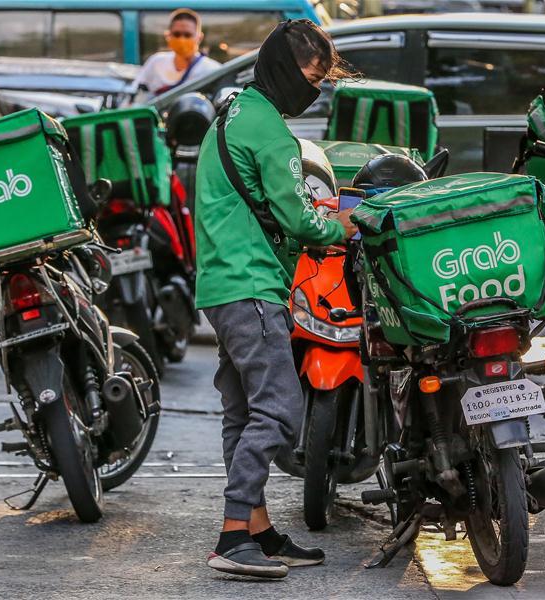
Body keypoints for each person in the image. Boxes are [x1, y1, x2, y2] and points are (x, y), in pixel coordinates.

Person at [194, 20, 358, 579]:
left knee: (242, 412)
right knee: (281, 413)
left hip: (221, 283)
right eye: (311, 77)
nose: (313, 90)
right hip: (252, 285)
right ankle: (232, 534)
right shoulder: (269, 132)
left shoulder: (235, 114)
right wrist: (347, 224)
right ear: (284, 69)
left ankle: (257, 530)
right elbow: (299, 218)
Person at [133, 9, 221, 97]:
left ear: (199, 38)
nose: (182, 40)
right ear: (168, 36)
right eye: (177, 34)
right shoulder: (156, 62)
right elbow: (135, 92)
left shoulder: (212, 70)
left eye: (187, 35)